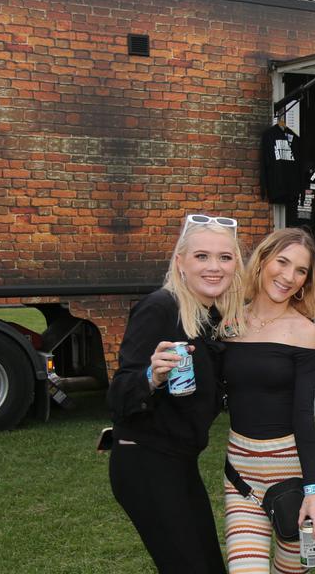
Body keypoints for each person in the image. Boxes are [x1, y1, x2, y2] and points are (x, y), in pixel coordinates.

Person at [108, 214, 246, 574]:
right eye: (202, 256)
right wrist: (151, 376)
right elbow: (119, 398)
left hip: (180, 461)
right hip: (145, 461)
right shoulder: (161, 307)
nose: (214, 267)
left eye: (225, 258)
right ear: (180, 262)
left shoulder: (213, 317)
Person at [220, 228, 315, 573]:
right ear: (263, 260)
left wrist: (314, 490)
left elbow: (303, 415)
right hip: (241, 475)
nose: (288, 277)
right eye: (282, 262)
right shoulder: (227, 321)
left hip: (294, 476)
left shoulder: (305, 332)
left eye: (300, 271)